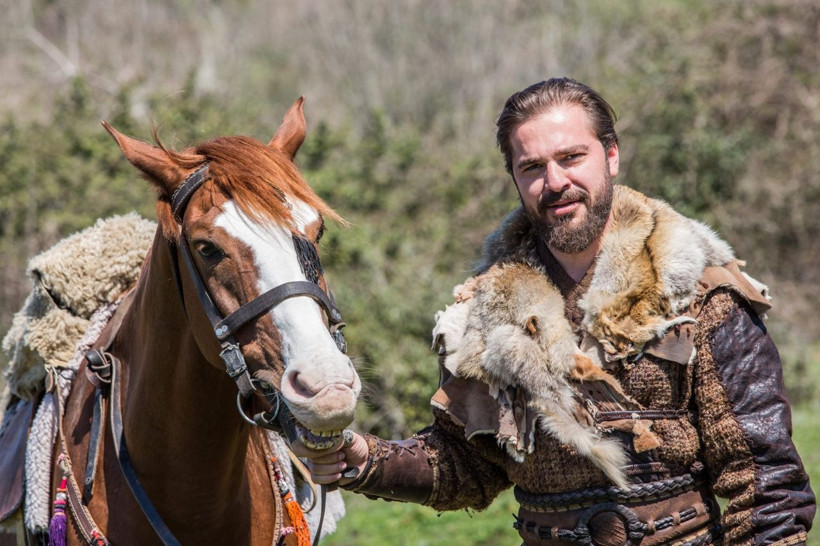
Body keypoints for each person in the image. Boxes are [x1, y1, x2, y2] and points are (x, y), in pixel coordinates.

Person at [295, 78, 816, 545]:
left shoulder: (699, 290)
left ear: (610, 156)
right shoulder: (485, 316)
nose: (555, 181)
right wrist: (364, 459)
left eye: (571, 157)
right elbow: (465, 464)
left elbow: (767, 483)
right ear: (516, 180)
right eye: (532, 167)